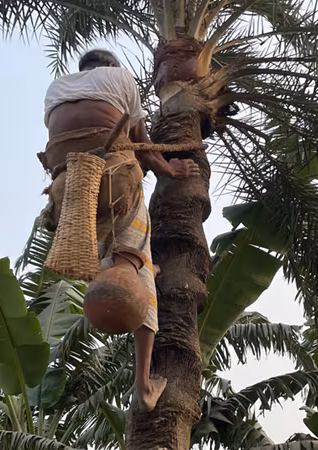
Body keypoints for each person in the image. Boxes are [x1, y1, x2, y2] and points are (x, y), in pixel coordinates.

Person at [39, 49, 200, 412]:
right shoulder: (121, 77)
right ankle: (143, 387)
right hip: (115, 183)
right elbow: (143, 148)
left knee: (115, 254)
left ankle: (136, 264)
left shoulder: (55, 88)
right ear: (111, 66)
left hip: (73, 194)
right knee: (133, 270)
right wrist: (173, 172)